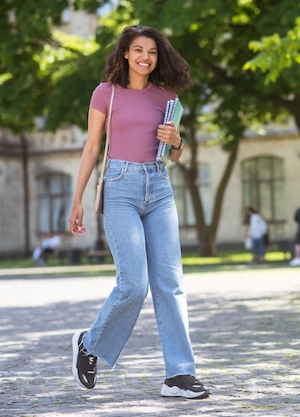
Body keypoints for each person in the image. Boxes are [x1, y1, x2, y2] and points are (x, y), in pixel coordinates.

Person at [67, 25, 210, 399]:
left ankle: (179, 375)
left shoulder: (168, 97)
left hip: (159, 187)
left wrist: (177, 141)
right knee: (133, 284)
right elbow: (91, 147)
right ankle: (90, 344)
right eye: (138, 50)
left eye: (152, 52)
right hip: (120, 186)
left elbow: (175, 154)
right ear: (125, 54)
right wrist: (77, 199)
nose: (145, 57)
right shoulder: (106, 94)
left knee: (170, 283)